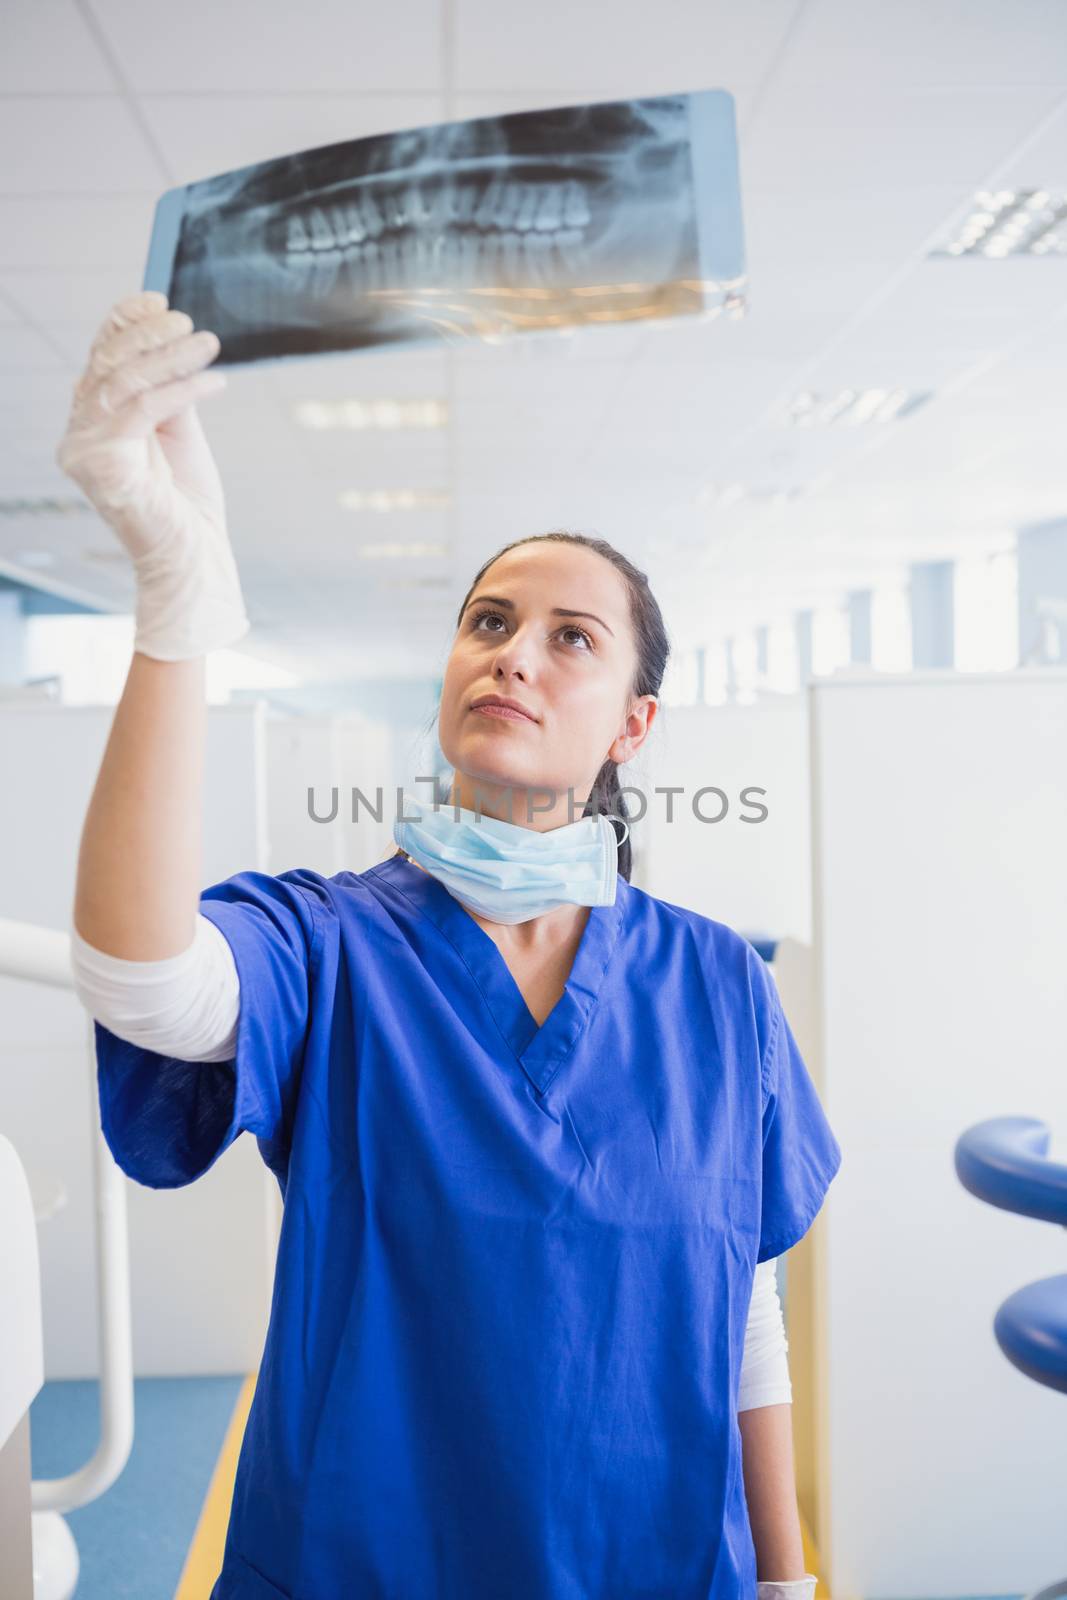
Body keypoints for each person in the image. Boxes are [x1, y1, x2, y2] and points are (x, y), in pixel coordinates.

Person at [59, 291, 840, 1599]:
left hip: (651, 1563)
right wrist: (175, 611)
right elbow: (145, 982)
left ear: (633, 727)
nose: (513, 656)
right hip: (372, 1559)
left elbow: (743, 1303)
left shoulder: (714, 984)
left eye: (568, 638)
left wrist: (786, 1579)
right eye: (488, 622)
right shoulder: (335, 944)